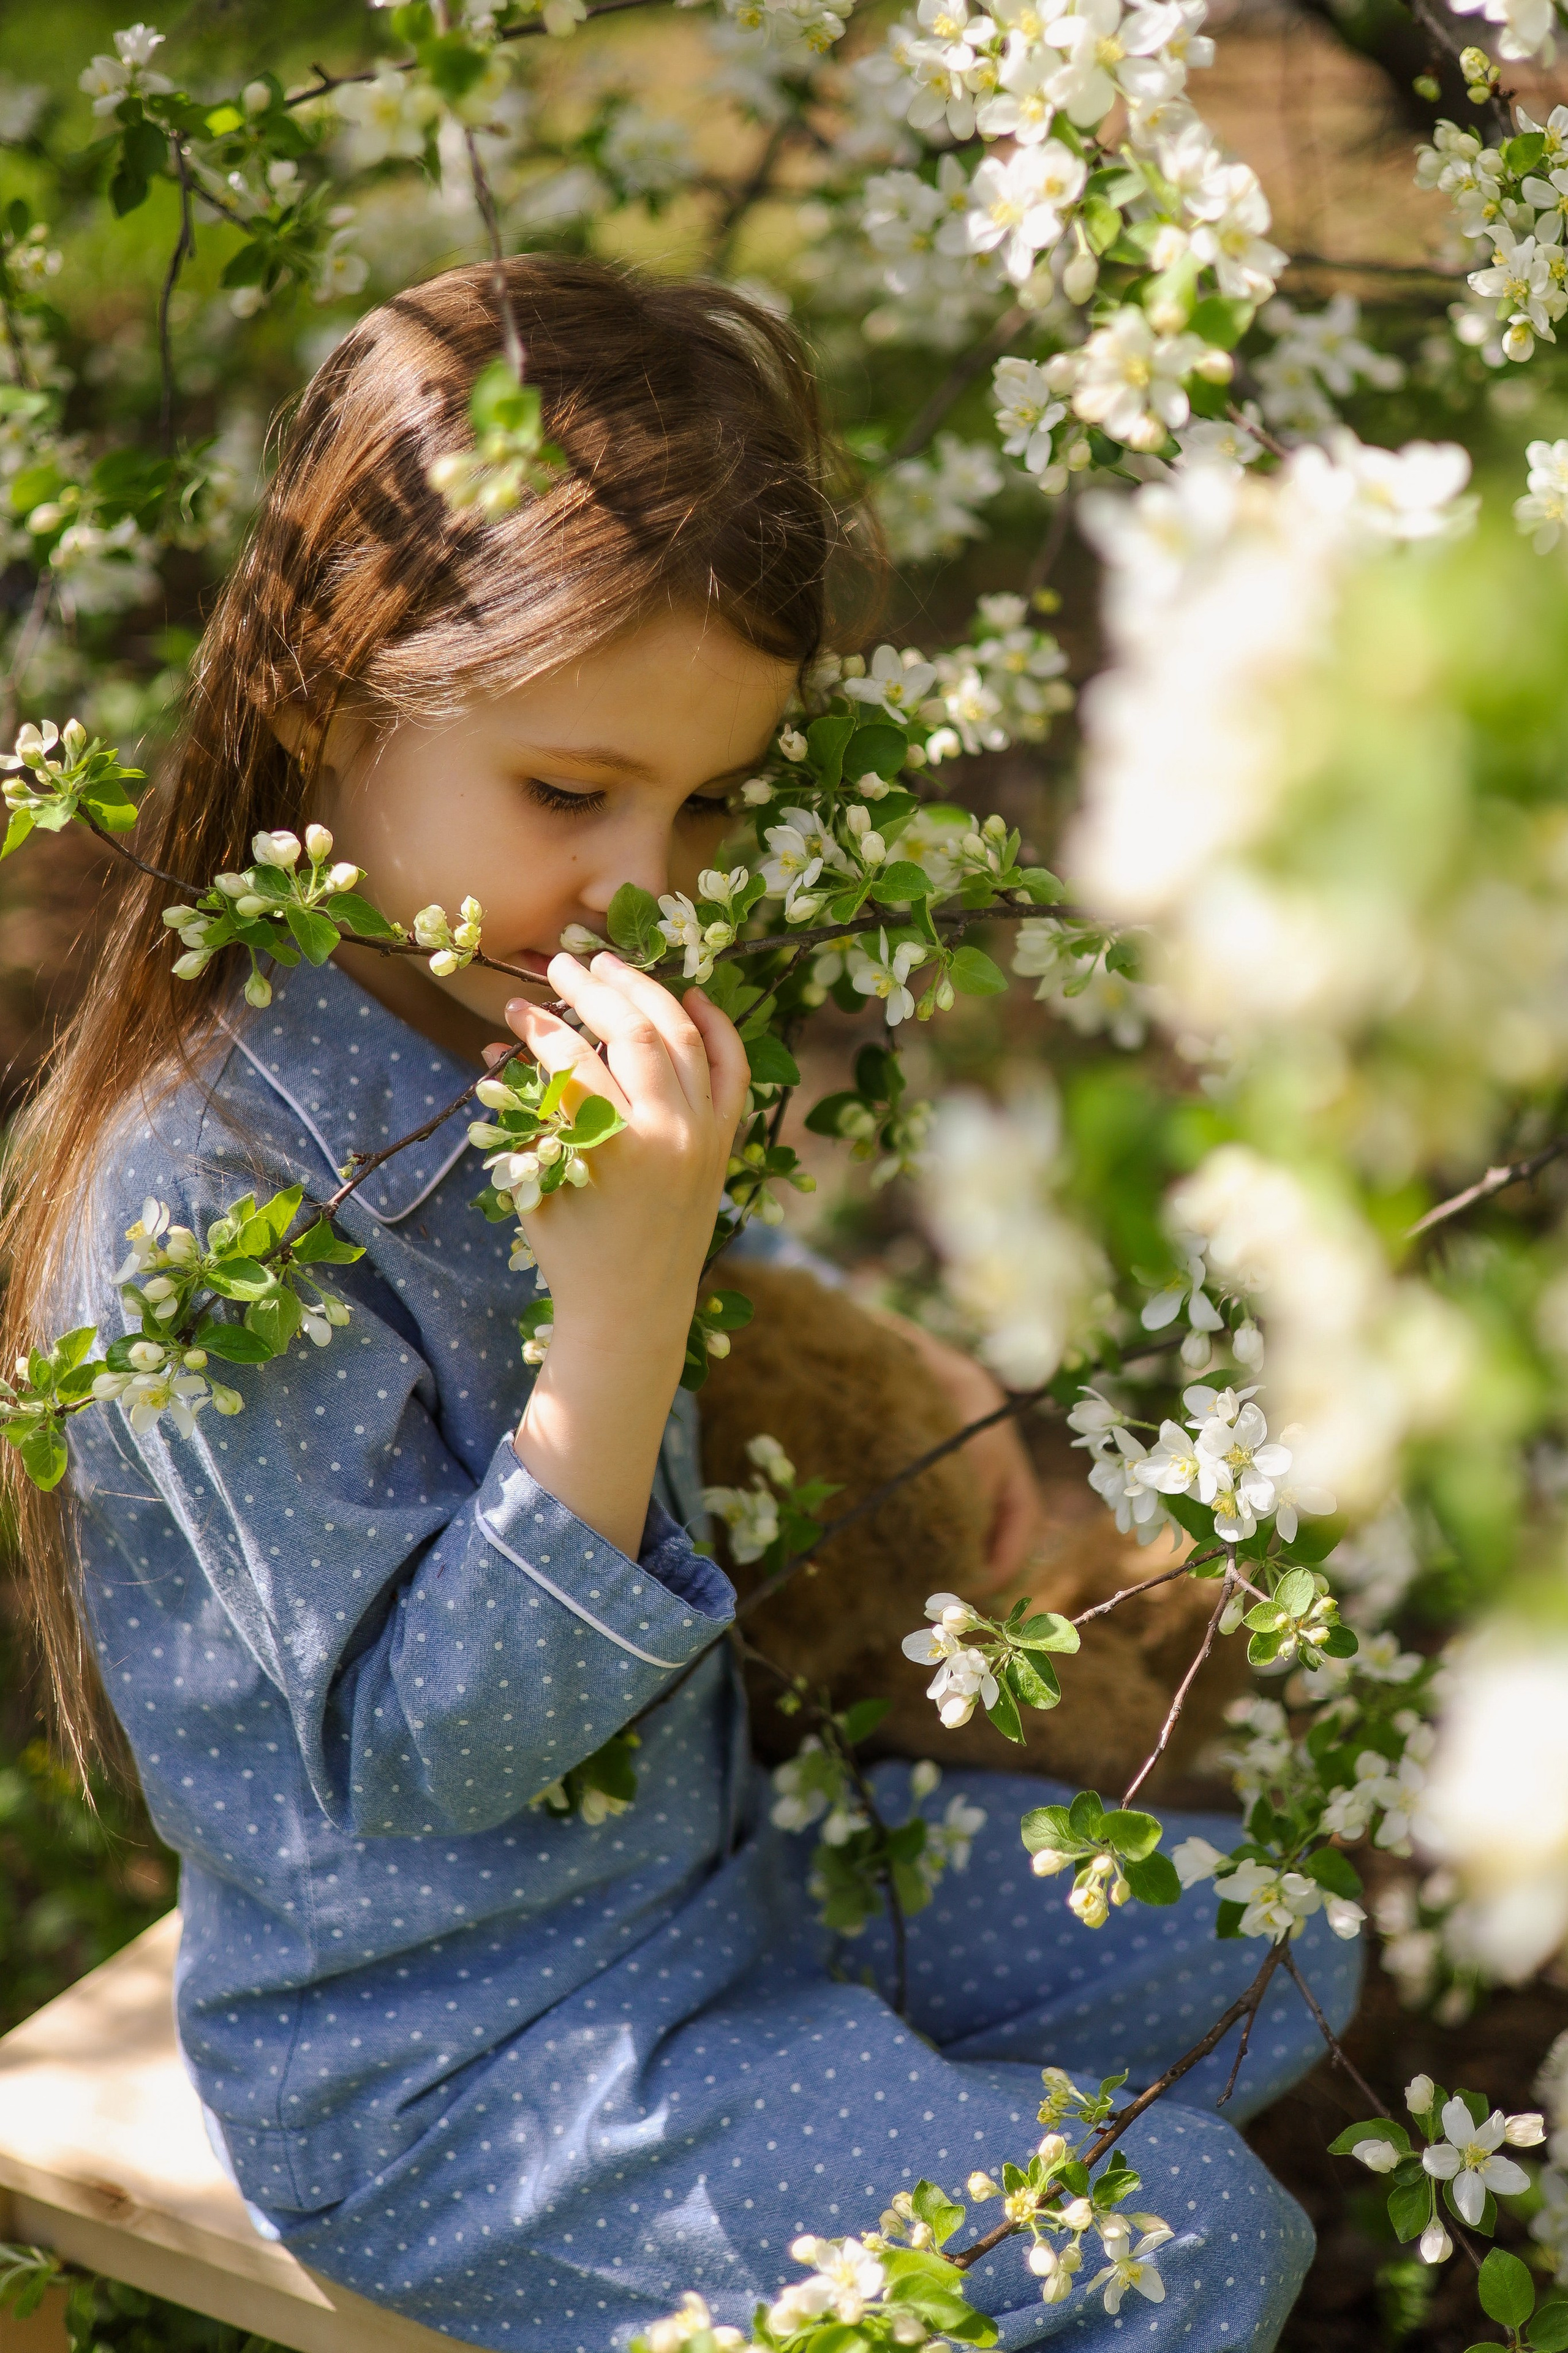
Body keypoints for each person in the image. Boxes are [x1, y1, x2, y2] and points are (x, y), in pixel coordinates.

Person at [4, 256, 1355, 2351]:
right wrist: (621, 1321)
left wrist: (857, 1342)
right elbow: (428, 1754)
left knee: (1275, 1951)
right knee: (1184, 2235)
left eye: (709, 801)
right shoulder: (201, 1199)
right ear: (321, 701)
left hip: (722, 1886)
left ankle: (872, 2188)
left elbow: (689, 1264)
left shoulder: (498, 1008)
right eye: (572, 792)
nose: (651, 882)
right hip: (463, 2073)